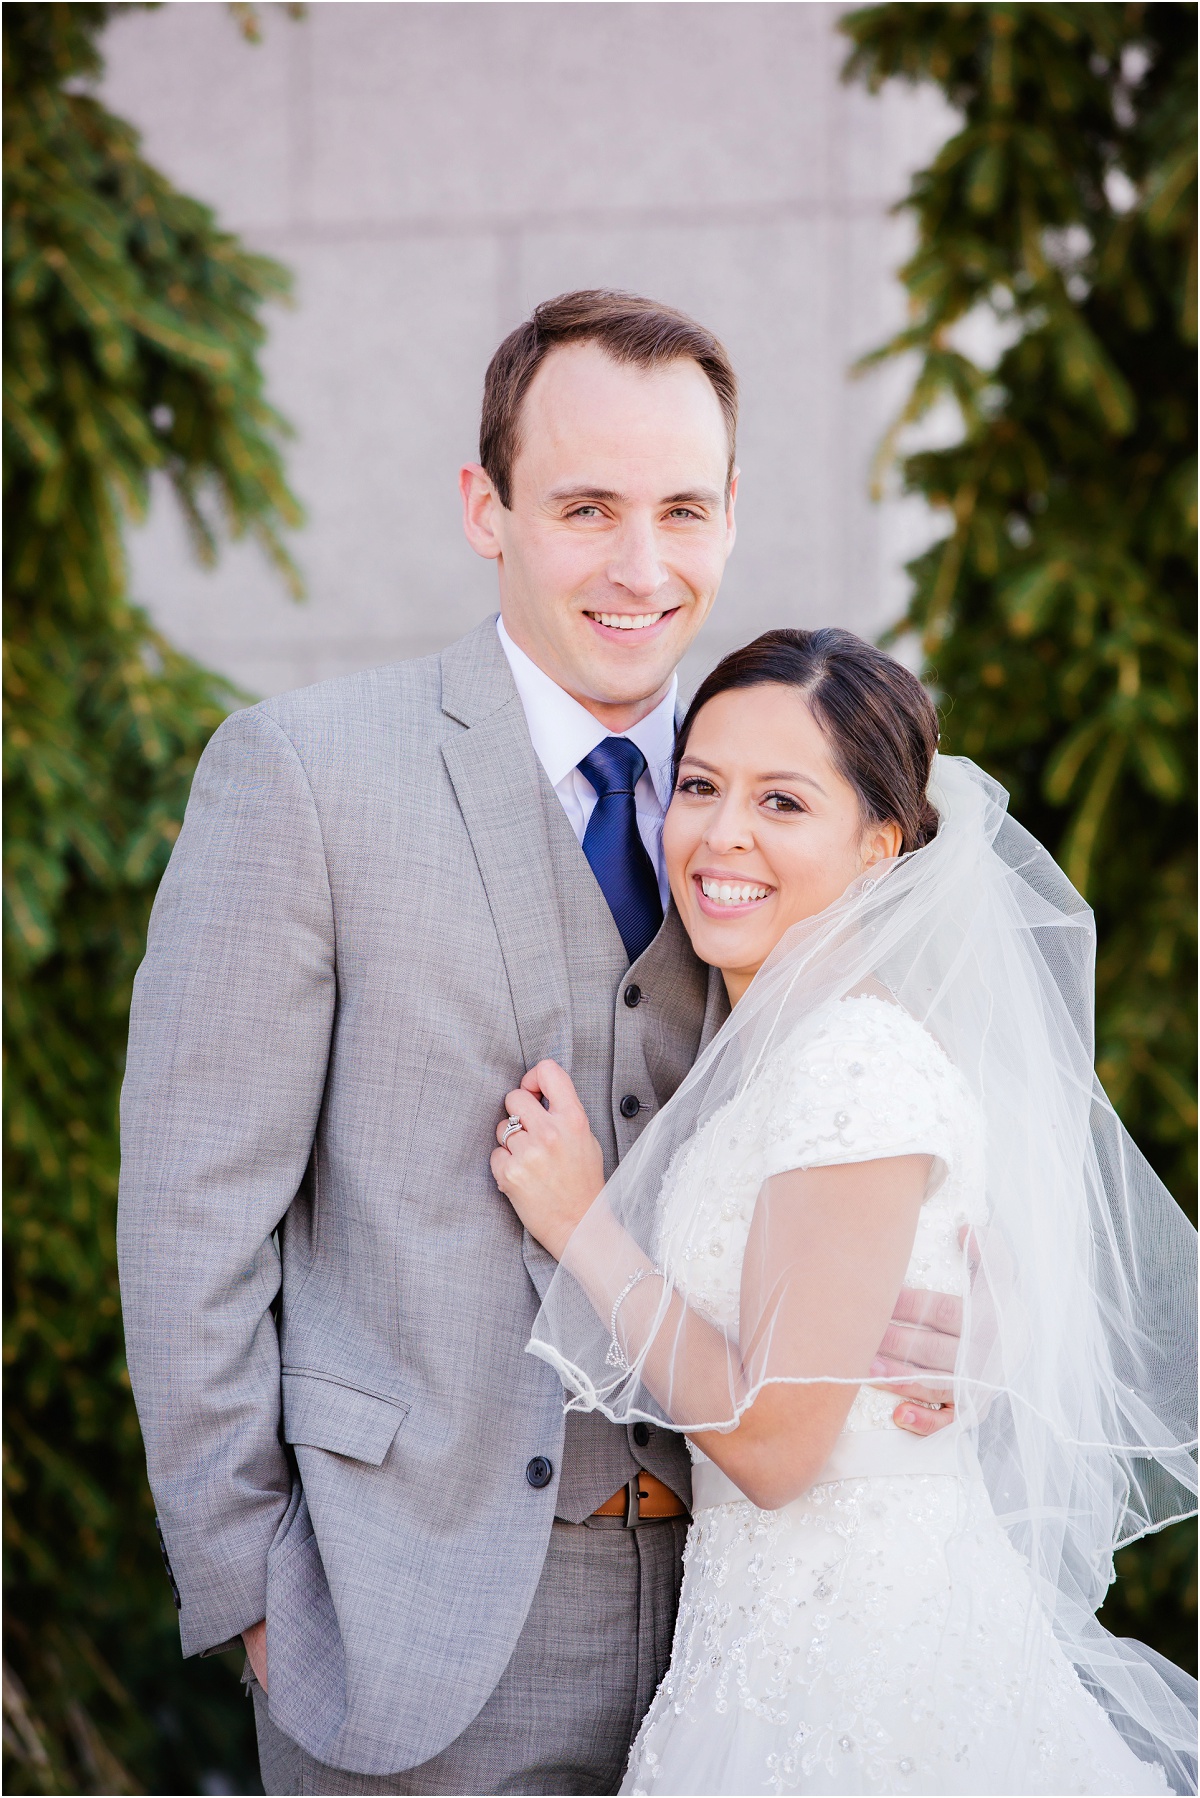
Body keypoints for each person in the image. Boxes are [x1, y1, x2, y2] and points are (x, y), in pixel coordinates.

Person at [116, 293, 961, 1797]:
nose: (642, 567)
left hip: (735, 1628)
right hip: (401, 1625)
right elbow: (190, 1217)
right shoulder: (306, 774)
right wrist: (251, 1591)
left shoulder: (768, 792)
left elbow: (874, 1144)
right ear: (485, 506)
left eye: (682, 509)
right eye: (585, 507)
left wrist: (949, 1317)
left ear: (731, 513)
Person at [493, 627, 1199, 1796]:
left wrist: (580, 1224)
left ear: (879, 849)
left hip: (859, 1668)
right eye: (703, 786)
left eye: (783, 801)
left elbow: (774, 1446)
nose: (723, 834)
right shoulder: (784, 1052)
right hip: (761, 1637)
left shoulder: (852, 1069)